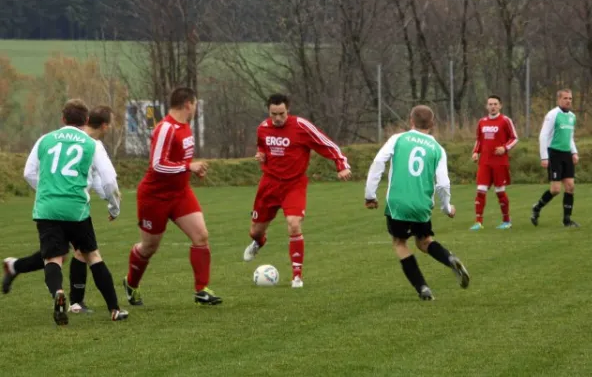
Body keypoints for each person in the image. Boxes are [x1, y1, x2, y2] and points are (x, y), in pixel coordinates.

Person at [2, 106, 118, 314]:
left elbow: (29, 173)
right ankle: (86, 304)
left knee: (56, 256)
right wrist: (113, 204)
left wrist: (49, 190)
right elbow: (107, 179)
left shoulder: (46, 139)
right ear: (88, 119)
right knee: (86, 254)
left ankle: (26, 273)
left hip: (48, 206)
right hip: (75, 207)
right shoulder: (92, 144)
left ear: (63, 118)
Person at [123, 87, 222, 306]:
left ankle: (201, 290)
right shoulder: (165, 128)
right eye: (194, 104)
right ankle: (131, 284)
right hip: (154, 197)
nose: (195, 108)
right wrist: (189, 167)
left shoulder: (185, 127)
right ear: (188, 104)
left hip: (180, 194)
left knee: (201, 236)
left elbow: (179, 160)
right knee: (149, 247)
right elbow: (157, 165)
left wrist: (193, 169)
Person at [242, 93, 352, 288]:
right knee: (255, 232)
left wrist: (341, 164)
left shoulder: (301, 126)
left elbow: (327, 144)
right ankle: (259, 242)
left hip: (294, 184)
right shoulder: (263, 128)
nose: (277, 118)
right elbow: (262, 149)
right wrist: (261, 155)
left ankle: (297, 276)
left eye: (281, 114)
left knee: (293, 224)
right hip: (269, 184)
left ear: (288, 110)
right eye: (273, 114)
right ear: (269, 111)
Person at [364, 105, 470, 300]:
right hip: (422, 205)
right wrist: (447, 207)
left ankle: (422, 287)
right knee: (424, 242)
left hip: (398, 203)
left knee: (400, 243)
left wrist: (370, 195)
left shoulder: (398, 139)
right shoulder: (438, 149)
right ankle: (449, 259)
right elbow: (443, 183)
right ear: (432, 124)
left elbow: (378, 162)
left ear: (410, 121)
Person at [531, 89, 580, 227]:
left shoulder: (572, 116)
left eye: (570, 98)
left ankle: (567, 220)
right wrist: (544, 157)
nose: (568, 100)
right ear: (558, 100)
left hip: (566, 154)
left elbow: (569, 137)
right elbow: (543, 136)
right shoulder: (552, 115)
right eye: (565, 98)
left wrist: (574, 152)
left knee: (570, 187)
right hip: (554, 154)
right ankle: (537, 207)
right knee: (556, 189)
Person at [470, 95, 518, 230]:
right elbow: (479, 140)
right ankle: (478, 222)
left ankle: (506, 220)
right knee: (480, 190)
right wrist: (475, 152)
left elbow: (514, 138)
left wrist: (505, 148)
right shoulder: (482, 122)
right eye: (490, 104)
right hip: (484, 162)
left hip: (499, 162)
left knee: (500, 191)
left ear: (500, 106)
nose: (493, 106)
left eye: (495, 104)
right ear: (487, 106)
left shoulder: (505, 120)